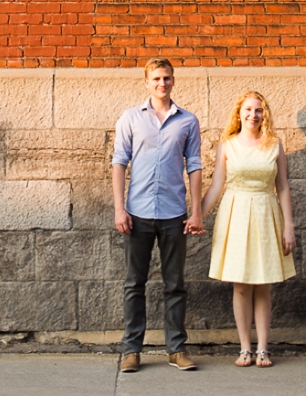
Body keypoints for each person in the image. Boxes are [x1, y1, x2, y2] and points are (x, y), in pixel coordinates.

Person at [111, 57, 204, 373]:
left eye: (166, 78)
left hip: (173, 214)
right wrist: (119, 208)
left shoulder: (188, 121)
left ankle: (176, 349)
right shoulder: (131, 119)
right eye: (156, 79)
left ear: (173, 80)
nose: (162, 84)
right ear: (146, 82)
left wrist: (197, 211)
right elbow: (119, 163)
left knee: (175, 284)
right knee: (133, 284)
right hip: (137, 214)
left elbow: (194, 165)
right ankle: (131, 351)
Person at [201, 90, 295, 368]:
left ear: (264, 114)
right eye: (248, 110)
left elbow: (283, 187)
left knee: (263, 283)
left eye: (258, 110)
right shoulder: (227, 145)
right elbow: (217, 185)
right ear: (239, 113)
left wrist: (289, 226)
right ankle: (244, 348)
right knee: (241, 285)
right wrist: (196, 216)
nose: (253, 115)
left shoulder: (275, 145)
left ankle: (263, 349)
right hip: (236, 214)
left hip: (267, 213)